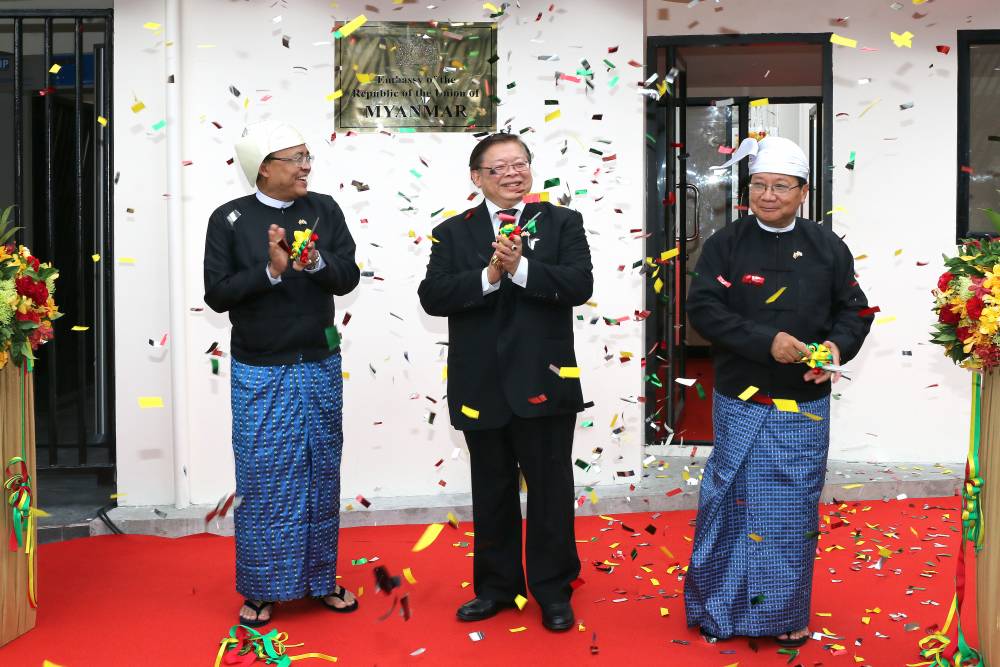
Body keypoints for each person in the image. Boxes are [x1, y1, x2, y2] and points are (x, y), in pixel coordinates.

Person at [683, 136, 873, 647]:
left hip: (803, 405)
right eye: (759, 186)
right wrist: (768, 341)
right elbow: (703, 310)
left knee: (790, 512)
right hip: (740, 397)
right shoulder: (725, 243)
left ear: (803, 191)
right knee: (729, 501)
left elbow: (855, 311)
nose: (768, 196)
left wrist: (833, 350)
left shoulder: (828, 246)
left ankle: (783, 615)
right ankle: (717, 608)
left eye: (780, 187)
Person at [418, 133, 593, 632]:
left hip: (546, 382)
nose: (514, 173)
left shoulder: (563, 223)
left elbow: (579, 285)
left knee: (551, 492)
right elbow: (433, 296)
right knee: (491, 492)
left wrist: (523, 270)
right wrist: (492, 274)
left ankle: (553, 590)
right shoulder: (452, 233)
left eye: (521, 164)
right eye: (500, 168)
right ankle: (496, 588)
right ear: (477, 178)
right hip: (481, 387)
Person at [203, 120, 361, 627]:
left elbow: (348, 275)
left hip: (319, 362)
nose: (306, 166)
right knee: (264, 477)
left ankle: (320, 580)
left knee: (320, 474)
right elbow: (217, 293)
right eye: (296, 157)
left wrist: (314, 262)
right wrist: (271, 272)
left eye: (308, 156)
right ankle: (261, 588)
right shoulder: (227, 219)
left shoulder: (325, 210)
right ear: (265, 167)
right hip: (259, 368)